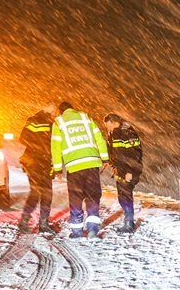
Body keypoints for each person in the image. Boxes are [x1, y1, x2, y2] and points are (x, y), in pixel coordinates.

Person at [50, 100, 110, 238]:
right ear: (73, 109)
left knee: (76, 198)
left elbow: (56, 147)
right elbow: (99, 139)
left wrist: (58, 169)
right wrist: (105, 158)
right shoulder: (85, 117)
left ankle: (77, 232)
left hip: (74, 166)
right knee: (93, 196)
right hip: (91, 163)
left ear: (61, 111)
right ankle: (93, 230)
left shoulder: (58, 123)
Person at [17, 101, 57, 234]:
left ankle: (40, 223)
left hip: (41, 162)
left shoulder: (46, 122)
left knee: (44, 193)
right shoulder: (36, 121)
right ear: (47, 109)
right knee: (39, 192)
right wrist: (40, 149)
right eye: (53, 111)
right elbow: (23, 139)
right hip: (35, 162)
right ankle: (30, 222)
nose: (55, 114)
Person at [102, 113, 144, 233]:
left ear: (115, 122)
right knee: (122, 196)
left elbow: (134, 153)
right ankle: (128, 221)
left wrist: (130, 171)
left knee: (125, 195)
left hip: (129, 170)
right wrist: (110, 162)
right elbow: (116, 152)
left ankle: (129, 223)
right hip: (121, 170)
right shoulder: (115, 133)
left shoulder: (127, 133)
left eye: (109, 126)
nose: (108, 129)